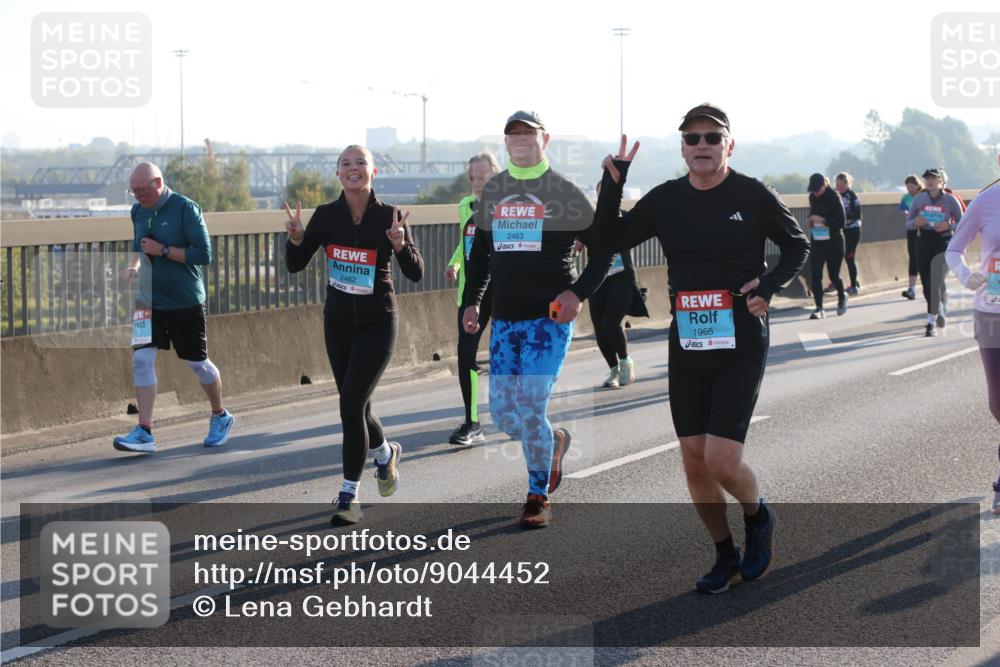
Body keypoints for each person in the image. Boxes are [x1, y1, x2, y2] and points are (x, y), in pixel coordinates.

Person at [595, 104, 809, 594]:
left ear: (728, 145)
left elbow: (797, 245)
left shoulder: (752, 194)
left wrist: (769, 286)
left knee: (721, 459)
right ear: (683, 148)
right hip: (688, 337)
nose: (702, 146)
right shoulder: (667, 199)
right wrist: (613, 185)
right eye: (692, 139)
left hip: (741, 334)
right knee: (693, 458)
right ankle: (724, 554)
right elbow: (609, 237)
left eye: (712, 137)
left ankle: (757, 518)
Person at [462, 110, 613, 529]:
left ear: (545, 140)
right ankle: (554, 441)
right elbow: (480, 257)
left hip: (548, 321)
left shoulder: (563, 192)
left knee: (530, 405)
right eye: (513, 136)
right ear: (506, 144)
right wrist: (471, 303)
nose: (521, 141)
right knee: (504, 416)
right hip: (505, 321)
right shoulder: (495, 192)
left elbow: (603, 253)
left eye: (529, 134)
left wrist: (577, 293)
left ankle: (537, 495)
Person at [284, 144, 423, 525]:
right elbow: (296, 265)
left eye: (360, 162)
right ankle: (385, 455)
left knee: (349, 406)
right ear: (338, 174)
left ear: (373, 172)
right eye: (346, 164)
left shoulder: (389, 216)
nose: (353, 168)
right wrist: (296, 238)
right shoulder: (327, 216)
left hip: (379, 322)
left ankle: (349, 494)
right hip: (339, 322)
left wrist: (400, 244)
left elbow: (416, 272)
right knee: (358, 405)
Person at [114, 162, 234, 454]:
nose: (137, 196)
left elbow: (203, 254)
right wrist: (133, 266)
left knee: (197, 363)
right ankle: (144, 431)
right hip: (147, 301)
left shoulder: (185, 209)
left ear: (158, 183)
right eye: (133, 191)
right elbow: (138, 245)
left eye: (141, 190)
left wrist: (164, 251)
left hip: (184, 301)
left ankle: (220, 415)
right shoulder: (138, 211)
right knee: (141, 360)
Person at [945, 155, 1000, 513]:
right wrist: (968, 278)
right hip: (992, 310)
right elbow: (954, 249)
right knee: (998, 404)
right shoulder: (986, 200)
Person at [444, 153, 501, 445]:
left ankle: (520, 412)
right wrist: (455, 263)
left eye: (483, 177)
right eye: (472, 178)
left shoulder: (508, 206)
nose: (477, 184)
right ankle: (472, 422)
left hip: (502, 289)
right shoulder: (465, 206)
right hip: (471, 290)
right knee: (466, 353)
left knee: (506, 354)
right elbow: (465, 241)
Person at [587, 182, 649, 388]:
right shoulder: (590, 221)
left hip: (621, 279)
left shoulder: (623, 217)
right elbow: (576, 237)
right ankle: (613, 370)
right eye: (601, 194)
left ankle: (625, 361)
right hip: (597, 280)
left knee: (610, 323)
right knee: (599, 327)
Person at [907, 167, 963, 336]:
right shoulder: (919, 199)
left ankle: (931, 322)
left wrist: (949, 226)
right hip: (923, 240)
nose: (929, 181)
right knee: (926, 282)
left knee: (936, 280)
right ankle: (939, 308)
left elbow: (964, 224)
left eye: (933, 178)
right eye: (927, 178)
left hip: (943, 241)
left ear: (941, 181)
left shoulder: (951, 200)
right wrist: (916, 222)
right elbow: (908, 223)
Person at [806, 173, 848, 318]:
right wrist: (810, 220)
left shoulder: (834, 197)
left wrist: (823, 220)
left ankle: (842, 296)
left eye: (818, 189)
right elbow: (812, 213)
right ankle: (819, 308)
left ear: (825, 185)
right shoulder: (812, 197)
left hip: (834, 241)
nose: (815, 193)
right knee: (816, 274)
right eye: (813, 190)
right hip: (818, 239)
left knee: (833, 275)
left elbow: (841, 222)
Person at [835, 172, 863, 295]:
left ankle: (853, 285)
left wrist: (843, 217)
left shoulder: (853, 196)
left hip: (853, 230)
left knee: (849, 256)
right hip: (841, 231)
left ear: (847, 184)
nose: (838, 187)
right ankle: (835, 282)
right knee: (836, 256)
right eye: (836, 184)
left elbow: (857, 214)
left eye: (840, 185)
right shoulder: (835, 196)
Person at [900, 174, 923, 300]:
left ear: (918, 185)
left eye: (912, 186)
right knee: (913, 257)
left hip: (925, 230)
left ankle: (932, 285)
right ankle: (912, 288)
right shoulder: (906, 198)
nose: (910, 189)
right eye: (908, 187)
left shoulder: (924, 195)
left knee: (924, 257)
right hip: (912, 229)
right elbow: (904, 211)